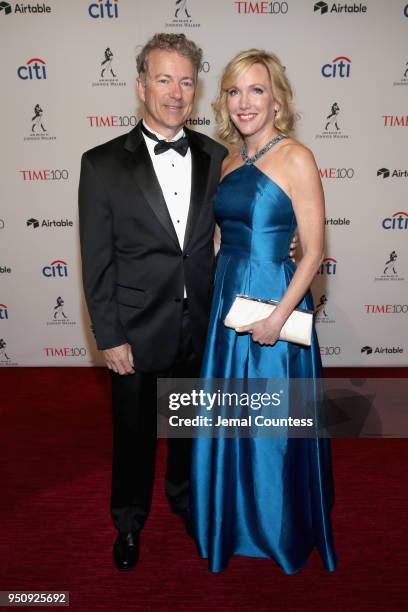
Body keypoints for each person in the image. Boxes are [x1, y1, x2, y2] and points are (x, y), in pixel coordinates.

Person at [78, 33, 228, 571]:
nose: (176, 92)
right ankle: (129, 522)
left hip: (202, 323)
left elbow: (229, 234)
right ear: (141, 86)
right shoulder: (101, 164)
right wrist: (109, 335)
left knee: (189, 430)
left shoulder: (216, 155)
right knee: (135, 436)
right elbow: (96, 262)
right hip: (136, 329)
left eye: (186, 80)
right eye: (164, 79)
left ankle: (186, 503)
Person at [191, 49, 337, 574]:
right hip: (229, 304)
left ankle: (279, 528)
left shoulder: (297, 157)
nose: (244, 102)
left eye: (256, 90)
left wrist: (278, 316)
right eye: (234, 91)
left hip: (277, 298)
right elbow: (217, 236)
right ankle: (232, 522)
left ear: (277, 98)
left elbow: (315, 251)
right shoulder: (228, 162)